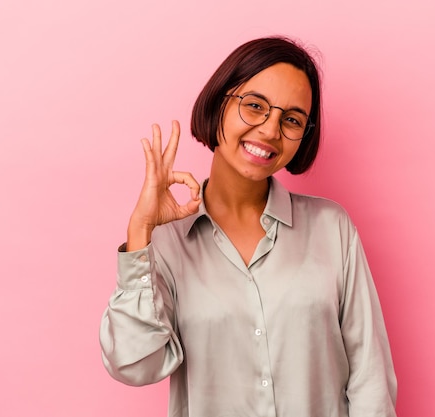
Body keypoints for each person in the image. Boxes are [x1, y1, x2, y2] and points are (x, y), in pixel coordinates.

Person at [100, 36, 397, 417]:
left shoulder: (332, 228)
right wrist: (140, 233)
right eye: (255, 106)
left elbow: (370, 377)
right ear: (219, 103)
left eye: (291, 119)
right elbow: (134, 365)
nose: (271, 130)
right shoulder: (165, 244)